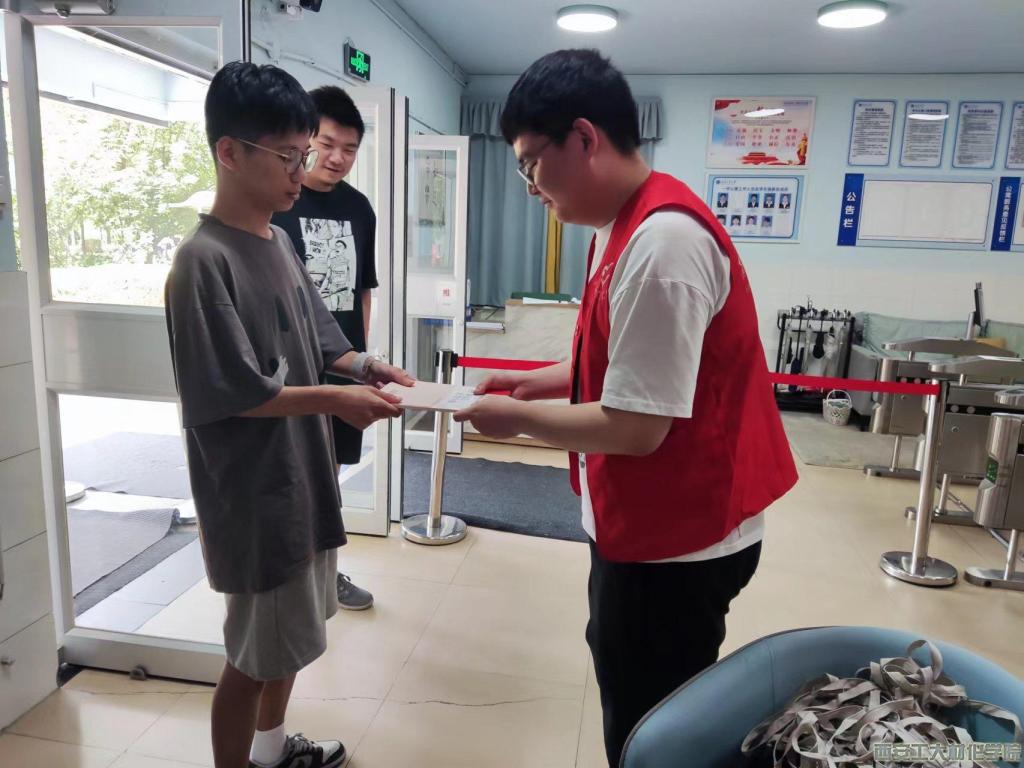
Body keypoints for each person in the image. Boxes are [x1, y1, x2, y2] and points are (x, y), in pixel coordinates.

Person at [454, 49, 797, 767]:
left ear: (584, 139)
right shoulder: (619, 226)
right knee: (626, 673)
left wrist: (513, 421)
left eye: (531, 164)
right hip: (645, 521)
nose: (529, 187)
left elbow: (637, 427)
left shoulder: (663, 243)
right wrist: (532, 386)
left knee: (651, 724)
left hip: (679, 540)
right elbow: (619, 365)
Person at [165, 61, 413, 768]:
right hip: (255, 496)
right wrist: (338, 399)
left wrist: (367, 368)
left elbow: (325, 343)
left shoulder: (277, 243)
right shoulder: (202, 263)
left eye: (307, 154)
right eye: (289, 157)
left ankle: (273, 752)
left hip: (303, 477)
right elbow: (238, 394)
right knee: (251, 656)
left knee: (291, 643)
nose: (302, 174)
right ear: (229, 151)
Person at [272, 85, 378, 611]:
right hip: (289, 369)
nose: (337, 157)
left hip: (342, 364)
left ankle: (326, 573)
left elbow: (362, 290)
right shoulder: (277, 203)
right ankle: (288, 576)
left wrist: (362, 361)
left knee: (329, 472)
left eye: (350, 149)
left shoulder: (359, 208)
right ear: (303, 139)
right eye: (327, 143)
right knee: (288, 474)